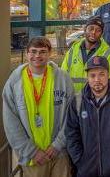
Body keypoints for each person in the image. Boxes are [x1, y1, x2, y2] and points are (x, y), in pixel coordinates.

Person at [2, 37, 73, 177]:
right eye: (33, 51)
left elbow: (71, 115)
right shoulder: (14, 83)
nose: (37, 56)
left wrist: (58, 144)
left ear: (49, 53)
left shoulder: (63, 79)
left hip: (59, 154)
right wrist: (31, 152)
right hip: (32, 159)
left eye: (42, 52)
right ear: (27, 53)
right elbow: (11, 123)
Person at [65, 56, 110, 177]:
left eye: (101, 74)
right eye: (92, 75)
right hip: (87, 170)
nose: (97, 79)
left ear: (108, 74)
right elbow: (71, 134)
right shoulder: (77, 101)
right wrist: (79, 160)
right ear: (87, 77)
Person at [61, 16, 110, 93]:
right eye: (91, 28)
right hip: (73, 100)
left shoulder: (109, 54)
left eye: (98, 30)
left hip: (96, 102)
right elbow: (62, 76)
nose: (93, 32)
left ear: (102, 34)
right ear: (85, 29)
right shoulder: (73, 50)